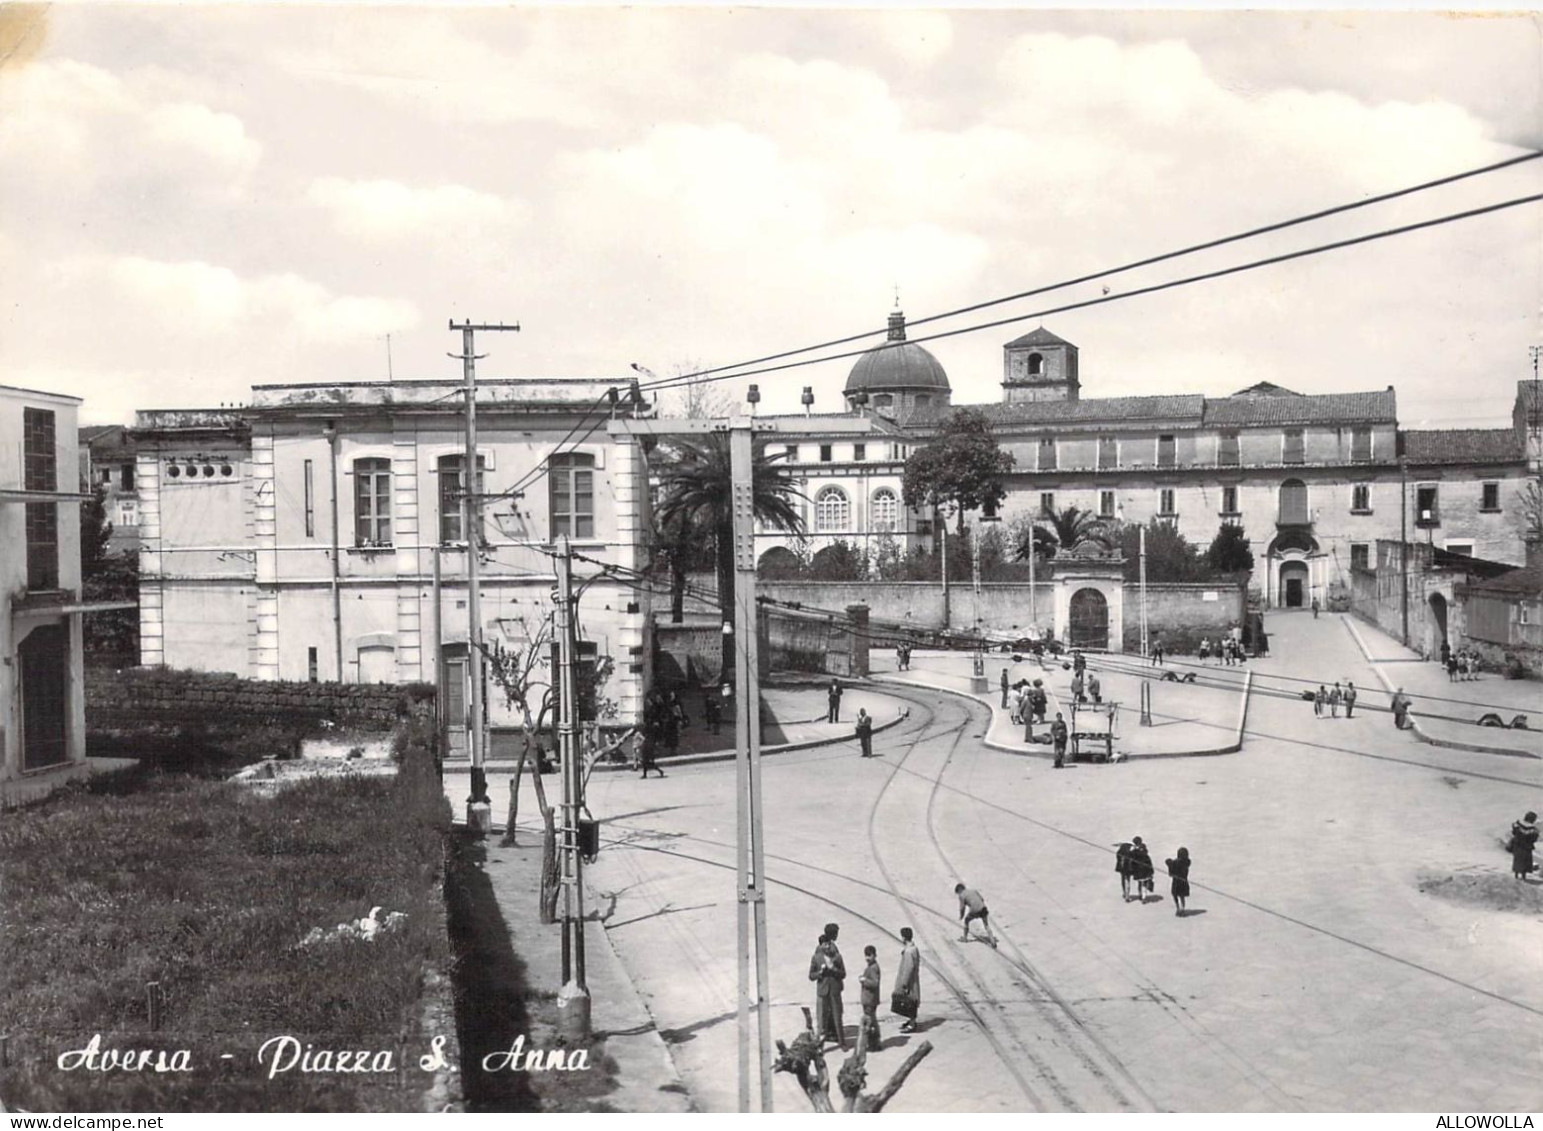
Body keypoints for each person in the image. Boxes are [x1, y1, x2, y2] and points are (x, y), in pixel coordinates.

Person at [809, 924, 847, 1049]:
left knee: (836, 1015)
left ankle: (837, 1038)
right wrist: (820, 973)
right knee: (823, 1017)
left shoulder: (834, 953)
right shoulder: (820, 953)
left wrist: (834, 969)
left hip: (833, 988)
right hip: (824, 988)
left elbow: (842, 971)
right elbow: (812, 972)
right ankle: (826, 1037)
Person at [892, 928, 921, 1033]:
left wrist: (904, 984)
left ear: (904, 937)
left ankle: (912, 1024)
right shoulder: (914, 948)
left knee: (910, 1002)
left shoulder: (908, 951)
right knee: (910, 1002)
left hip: (909, 982)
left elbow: (908, 968)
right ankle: (911, 1021)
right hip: (913, 979)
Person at [954, 883, 997, 947]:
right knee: (986, 925)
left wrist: (961, 916)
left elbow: (962, 908)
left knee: (966, 921)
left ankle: (965, 938)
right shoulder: (973, 890)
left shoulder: (962, 895)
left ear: (959, 890)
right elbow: (982, 899)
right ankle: (993, 941)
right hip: (983, 908)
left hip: (974, 910)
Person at [858, 945, 883, 1049]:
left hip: (870, 999)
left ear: (874, 955)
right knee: (872, 1020)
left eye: (869, 955)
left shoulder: (873, 968)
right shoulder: (872, 966)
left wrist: (864, 981)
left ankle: (874, 1043)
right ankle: (874, 1042)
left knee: (870, 1022)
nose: (867, 958)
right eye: (866, 955)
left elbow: (875, 983)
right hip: (870, 999)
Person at [1509, 812, 1538, 881]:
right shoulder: (1533, 829)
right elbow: (1534, 839)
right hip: (1526, 847)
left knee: (1517, 860)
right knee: (1525, 862)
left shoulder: (1518, 825)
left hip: (1517, 845)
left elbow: (1514, 832)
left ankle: (1516, 875)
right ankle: (1523, 876)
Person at [1166, 847, 1192, 916]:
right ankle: (1182, 909)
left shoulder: (1176, 863)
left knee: (1175, 895)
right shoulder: (1187, 862)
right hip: (1183, 881)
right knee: (1182, 896)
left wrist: (1169, 864)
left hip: (1176, 882)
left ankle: (1178, 908)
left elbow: (1171, 874)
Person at [1128, 837, 1155, 901]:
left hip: (1138, 870)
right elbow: (1148, 861)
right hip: (1146, 869)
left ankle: (1141, 895)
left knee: (1140, 883)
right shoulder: (1144, 849)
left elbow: (1131, 858)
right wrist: (1151, 871)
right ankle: (1144, 896)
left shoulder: (1134, 851)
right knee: (1144, 883)